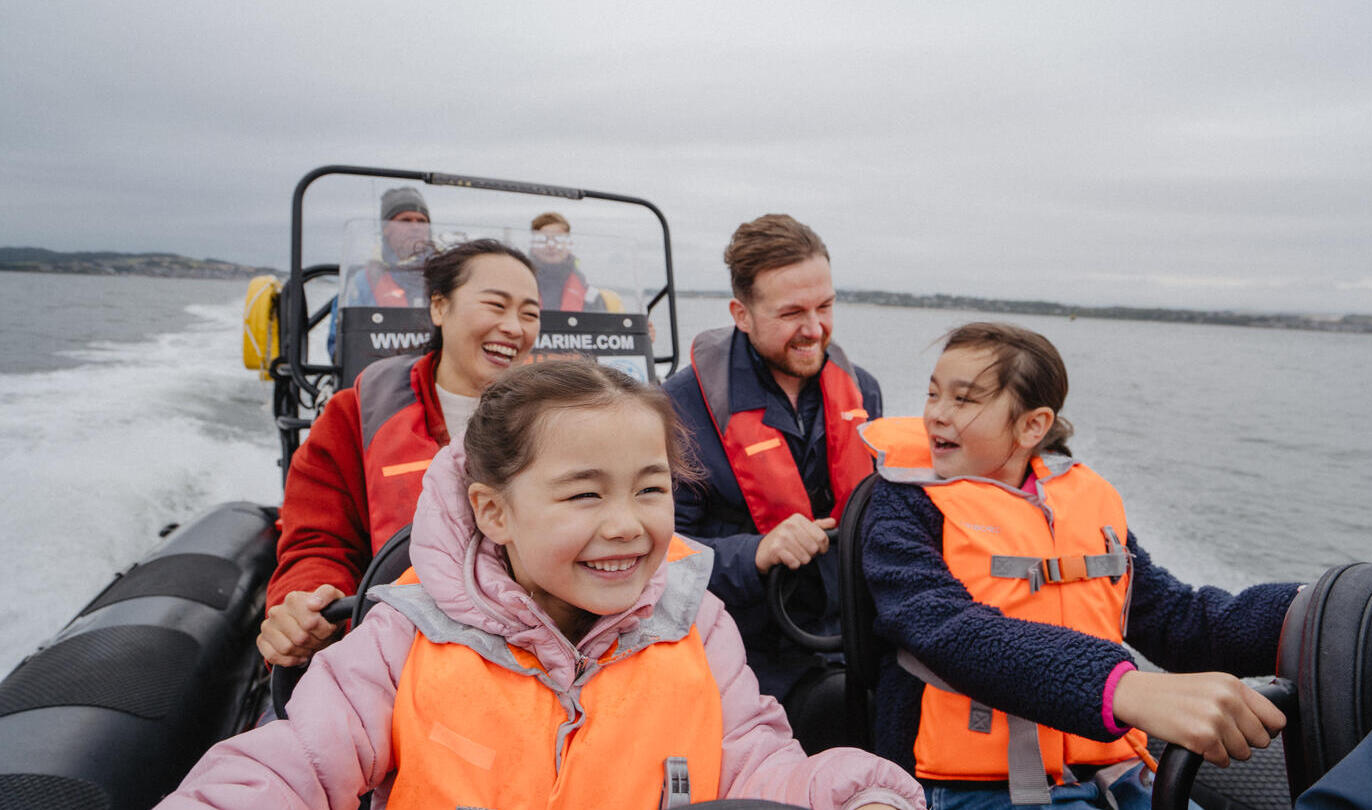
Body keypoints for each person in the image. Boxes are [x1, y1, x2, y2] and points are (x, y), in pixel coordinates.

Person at [159, 360, 925, 810]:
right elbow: (290, 765)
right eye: (586, 494)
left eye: (650, 490)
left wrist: (859, 797)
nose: (628, 525)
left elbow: (761, 767)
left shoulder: (699, 624)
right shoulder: (403, 639)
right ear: (494, 512)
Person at [859, 322, 1300, 810]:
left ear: (1032, 426)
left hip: (1113, 771)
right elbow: (948, 630)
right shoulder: (901, 504)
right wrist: (1119, 689)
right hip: (970, 785)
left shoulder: (1086, 501)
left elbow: (1178, 620)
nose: (936, 415)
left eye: (963, 401)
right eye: (933, 394)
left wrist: (1311, 611)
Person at [259, 238, 541, 668]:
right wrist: (310, 601)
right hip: (393, 655)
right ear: (439, 308)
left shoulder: (561, 420)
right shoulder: (357, 414)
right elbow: (319, 541)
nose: (514, 328)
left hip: (530, 652)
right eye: (495, 305)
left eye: (530, 314)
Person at [663, 213, 882, 704]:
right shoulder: (677, 406)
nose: (814, 329)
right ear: (741, 314)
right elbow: (656, 552)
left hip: (848, 639)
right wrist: (755, 551)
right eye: (791, 314)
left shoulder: (862, 391)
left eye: (825, 306)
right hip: (741, 649)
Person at [328, 186, 434, 357]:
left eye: (422, 221)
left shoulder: (448, 275)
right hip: (380, 375)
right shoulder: (363, 281)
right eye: (405, 221)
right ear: (386, 228)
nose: (415, 227)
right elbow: (339, 346)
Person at [529, 211, 607, 311]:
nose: (551, 245)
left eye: (558, 239)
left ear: (569, 244)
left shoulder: (590, 297)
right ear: (533, 245)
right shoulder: (517, 288)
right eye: (543, 239)